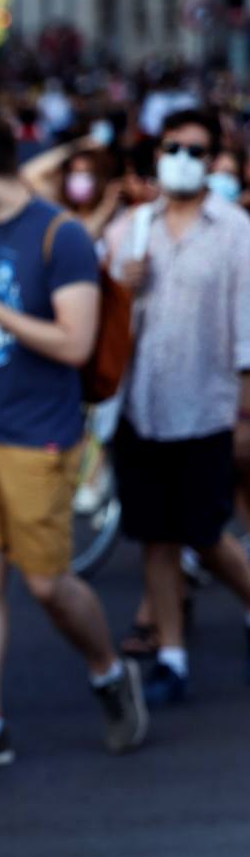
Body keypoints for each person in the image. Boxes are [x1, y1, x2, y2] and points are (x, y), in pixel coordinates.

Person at [0, 109, 146, 770]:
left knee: (47, 584)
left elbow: (74, 342)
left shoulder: (60, 237)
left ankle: (107, 670)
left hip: (40, 435)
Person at [103, 109, 250, 703]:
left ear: (212, 158)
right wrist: (124, 286)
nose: (182, 159)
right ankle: (171, 654)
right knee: (156, 538)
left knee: (207, 533)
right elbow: (105, 321)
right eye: (172, 147)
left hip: (206, 408)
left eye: (195, 149)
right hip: (141, 407)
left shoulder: (235, 230)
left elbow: (247, 329)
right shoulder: (133, 229)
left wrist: (244, 413)